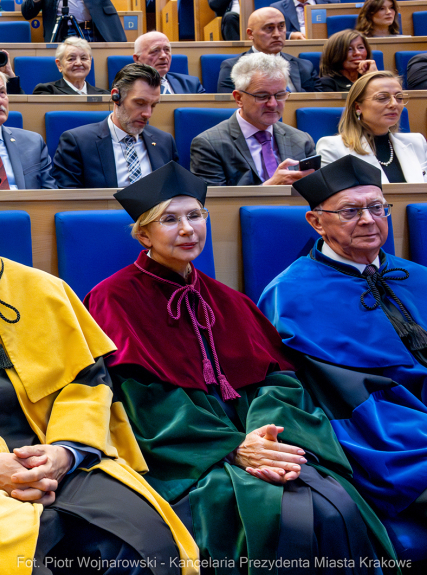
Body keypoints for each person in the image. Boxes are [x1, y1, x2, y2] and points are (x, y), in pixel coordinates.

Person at [0, 158, 198, 575]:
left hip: (56, 448)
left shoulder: (48, 291)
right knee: (4, 552)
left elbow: (88, 383)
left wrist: (65, 451)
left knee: (143, 540)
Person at [85, 162, 396, 569]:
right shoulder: (114, 299)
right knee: (261, 512)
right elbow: (137, 401)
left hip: (259, 437)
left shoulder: (229, 300)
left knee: (332, 502)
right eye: (170, 220)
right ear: (143, 234)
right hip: (191, 455)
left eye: (196, 216)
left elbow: (278, 380)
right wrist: (234, 449)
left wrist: (265, 437)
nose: (187, 230)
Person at [258, 156, 427, 561]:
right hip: (380, 431)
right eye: (351, 211)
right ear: (316, 222)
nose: (369, 220)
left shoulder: (416, 275)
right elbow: (336, 390)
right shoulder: (292, 295)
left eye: (377, 207)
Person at [193, 53, 316, 186]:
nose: (273, 104)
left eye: (280, 95)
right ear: (239, 98)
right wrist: (270, 187)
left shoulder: (302, 140)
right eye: (262, 96)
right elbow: (214, 203)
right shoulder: (209, 145)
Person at [52, 63, 176, 189]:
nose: (148, 114)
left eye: (153, 105)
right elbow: (69, 201)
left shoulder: (164, 142)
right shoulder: (78, 143)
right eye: (139, 103)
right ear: (116, 96)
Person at [316, 71, 426, 183]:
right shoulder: (332, 148)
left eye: (399, 97)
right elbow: (335, 198)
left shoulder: (417, 142)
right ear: (358, 107)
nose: (394, 104)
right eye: (382, 98)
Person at [216, 8, 319, 93]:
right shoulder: (232, 67)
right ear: (250, 34)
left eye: (281, 26)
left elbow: (314, 105)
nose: (277, 34)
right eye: (269, 28)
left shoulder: (305, 67)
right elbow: (229, 107)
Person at [132, 31, 204, 94]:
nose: (163, 56)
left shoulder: (192, 85)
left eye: (166, 50)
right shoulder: (125, 87)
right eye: (155, 51)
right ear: (137, 59)